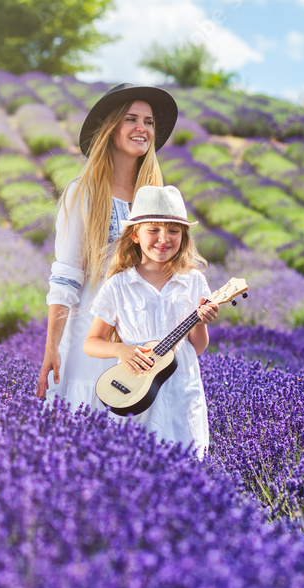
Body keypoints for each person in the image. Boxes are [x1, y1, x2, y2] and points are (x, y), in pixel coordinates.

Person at [36, 83, 179, 410]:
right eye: (131, 119)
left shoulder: (157, 197)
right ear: (111, 128)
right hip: (93, 338)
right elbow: (66, 277)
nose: (142, 128)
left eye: (149, 122)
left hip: (147, 339)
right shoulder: (83, 193)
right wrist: (51, 348)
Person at [83, 185, 218, 460]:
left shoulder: (193, 282)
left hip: (181, 391)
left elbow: (198, 348)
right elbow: (91, 342)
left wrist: (200, 321)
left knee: (189, 469)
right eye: (153, 230)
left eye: (173, 231)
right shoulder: (119, 285)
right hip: (134, 391)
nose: (163, 239)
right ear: (135, 234)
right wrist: (121, 350)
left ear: (184, 236)